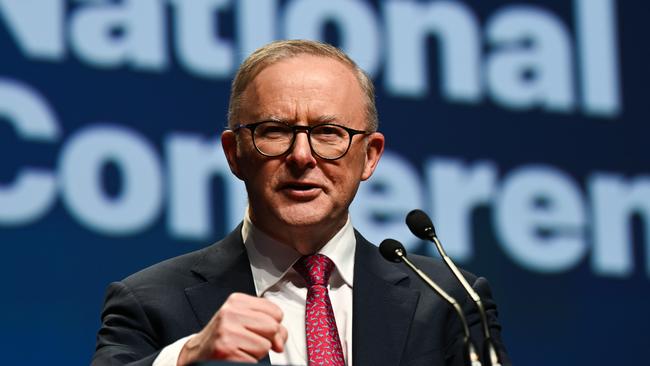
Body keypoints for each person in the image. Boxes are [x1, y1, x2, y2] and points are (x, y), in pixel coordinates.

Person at [92, 39, 510, 366]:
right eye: (274, 130)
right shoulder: (150, 301)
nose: (302, 156)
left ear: (370, 156)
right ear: (235, 153)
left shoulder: (450, 301)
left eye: (329, 132)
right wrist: (186, 357)